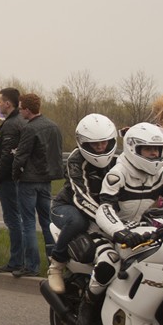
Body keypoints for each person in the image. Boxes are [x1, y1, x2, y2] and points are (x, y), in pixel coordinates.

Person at [78, 123, 163, 325]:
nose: (154, 154)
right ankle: (87, 308)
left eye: (158, 150)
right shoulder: (118, 173)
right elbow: (105, 208)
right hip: (105, 231)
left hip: (139, 229)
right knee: (109, 265)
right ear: (134, 149)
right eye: (148, 149)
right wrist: (119, 231)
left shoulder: (162, 174)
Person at [47, 114, 118, 293]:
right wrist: (108, 221)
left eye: (104, 142)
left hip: (99, 209)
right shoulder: (75, 160)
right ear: (84, 143)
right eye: (95, 144)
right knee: (78, 222)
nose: (101, 147)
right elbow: (81, 196)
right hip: (66, 206)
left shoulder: (117, 162)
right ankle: (56, 264)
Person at [12, 93, 60, 277]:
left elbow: (20, 157)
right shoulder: (53, 126)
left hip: (29, 181)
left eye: (21, 108)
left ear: (27, 109)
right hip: (46, 180)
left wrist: (15, 174)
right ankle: (53, 261)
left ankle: (31, 265)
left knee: (29, 224)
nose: (20, 111)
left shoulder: (29, 129)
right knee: (47, 222)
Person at [0, 87, 25, 273]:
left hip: (8, 180)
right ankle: (19, 258)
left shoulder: (11, 124)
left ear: (8, 103)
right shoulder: (16, 121)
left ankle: (16, 260)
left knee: (13, 219)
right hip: (12, 178)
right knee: (15, 219)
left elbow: (7, 155)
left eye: (0, 101)